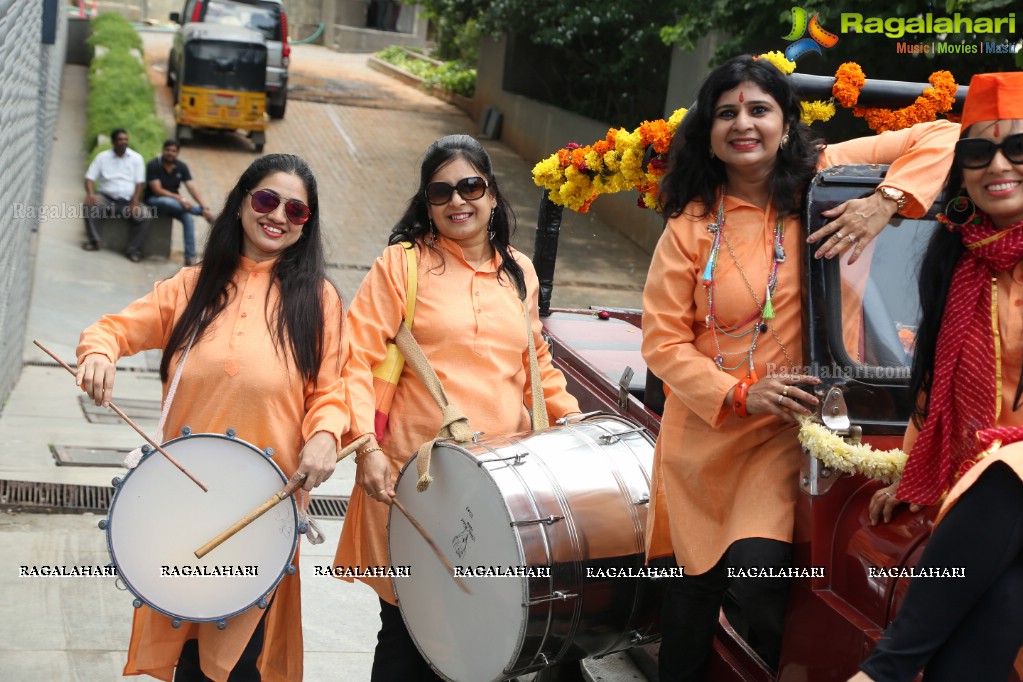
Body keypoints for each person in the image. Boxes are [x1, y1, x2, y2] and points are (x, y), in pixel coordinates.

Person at [641, 54, 959, 681]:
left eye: (759, 109)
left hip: (793, 432)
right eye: (726, 112)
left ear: (786, 122)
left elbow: (943, 132)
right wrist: (738, 394)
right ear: (707, 130)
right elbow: (663, 343)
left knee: (761, 574)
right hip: (709, 432)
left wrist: (885, 202)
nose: (743, 124)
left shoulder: (828, 177)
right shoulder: (689, 225)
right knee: (693, 590)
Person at [76, 153, 349, 681]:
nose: (279, 216)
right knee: (186, 650)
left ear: (306, 223)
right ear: (243, 202)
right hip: (181, 505)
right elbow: (113, 328)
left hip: (262, 512)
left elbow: (332, 389)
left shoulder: (319, 301)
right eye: (268, 200)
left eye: (297, 210)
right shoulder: (191, 286)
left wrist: (325, 434)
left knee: (240, 663)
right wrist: (98, 353)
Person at [332, 134, 581, 680]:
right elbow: (354, 359)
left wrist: (573, 424)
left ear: (492, 195)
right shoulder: (401, 265)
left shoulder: (518, 270)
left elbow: (535, 361)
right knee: (409, 630)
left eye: (471, 186)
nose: (457, 201)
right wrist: (364, 447)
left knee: (483, 633)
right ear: (426, 203)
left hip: (502, 491)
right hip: (414, 483)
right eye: (441, 192)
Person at [850, 72, 1023, 681]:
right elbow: (935, 383)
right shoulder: (962, 257)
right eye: (979, 152)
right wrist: (911, 469)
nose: (998, 164)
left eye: (1018, 148)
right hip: (987, 508)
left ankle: (884, 670)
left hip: (1004, 486)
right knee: (990, 623)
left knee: (1008, 470)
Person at [83, 128, 152, 262]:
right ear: (113, 141)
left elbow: (139, 183)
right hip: (106, 199)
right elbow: (89, 178)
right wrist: (90, 194)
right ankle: (94, 241)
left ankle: (133, 250)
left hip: (128, 201)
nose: (123, 142)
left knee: (146, 215)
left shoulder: (136, 158)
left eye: (125, 139)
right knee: (89, 205)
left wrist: (135, 202)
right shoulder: (102, 157)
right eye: (120, 140)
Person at [145, 139, 215, 266]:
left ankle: (190, 258)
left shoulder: (181, 166)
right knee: (168, 201)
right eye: (168, 150)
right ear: (163, 150)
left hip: (177, 206)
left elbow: (191, 187)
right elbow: (157, 190)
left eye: (173, 151)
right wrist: (179, 198)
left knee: (188, 218)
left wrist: (204, 205)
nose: (170, 153)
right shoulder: (154, 165)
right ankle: (200, 212)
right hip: (155, 203)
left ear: (177, 153)